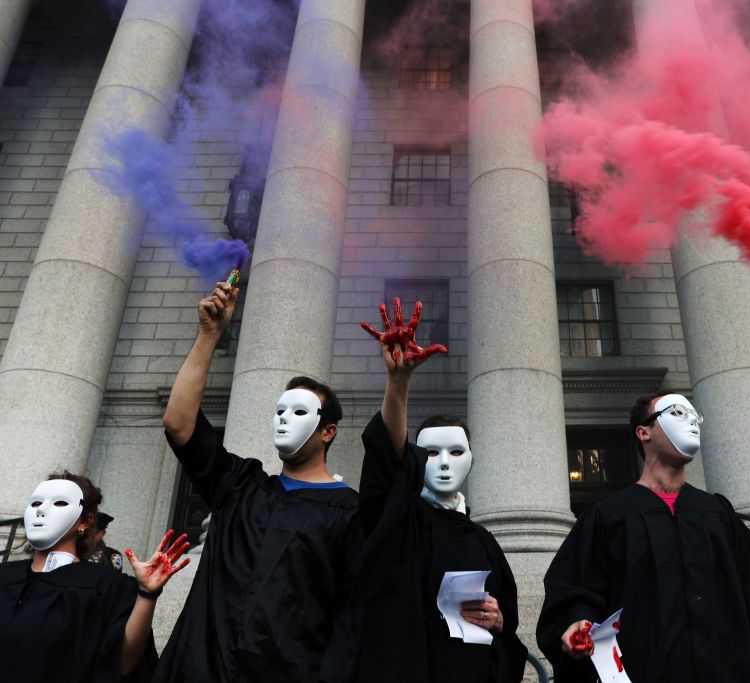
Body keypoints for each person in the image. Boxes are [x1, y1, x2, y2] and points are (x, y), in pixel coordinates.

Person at [537, 392, 750, 682]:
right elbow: (576, 592)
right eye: (677, 412)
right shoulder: (609, 517)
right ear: (644, 432)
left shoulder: (716, 512)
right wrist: (578, 623)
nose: (691, 421)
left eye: (693, 414)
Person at [154, 282, 362, 683]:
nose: (283, 418)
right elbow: (180, 425)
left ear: (328, 431)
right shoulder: (241, 486)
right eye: (279, 410)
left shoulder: (349, 512)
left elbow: (352, 613)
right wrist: (209, 335)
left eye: (298, 411)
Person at [353, 297, 527, 683]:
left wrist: (498, 618)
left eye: (456, 451)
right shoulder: (401, 523)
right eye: (431, 452)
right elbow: (388, 463)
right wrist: (398, 383)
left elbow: (506, 622)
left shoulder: (484, 540)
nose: (445, 462)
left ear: (472, 460)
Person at [0, 470, 186, 682]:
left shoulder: (105, 586)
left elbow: (121, 664)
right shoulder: (5, 576)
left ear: (86, 521)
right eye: (35, 503)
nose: (41, 510)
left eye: (59, 503)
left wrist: (147, 594)